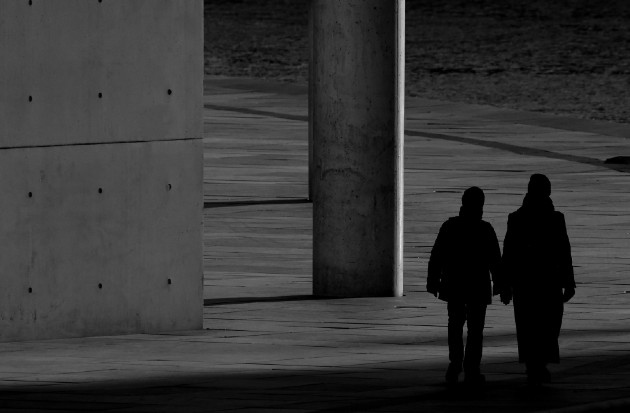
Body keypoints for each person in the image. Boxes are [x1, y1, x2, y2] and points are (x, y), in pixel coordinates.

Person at [501, 174, 576, 385]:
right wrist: (568, 282)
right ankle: (538, 362)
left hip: (526, 282)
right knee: (546, 323)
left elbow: (509, 254)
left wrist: (505, 284)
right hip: (546, 281)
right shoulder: (553, 218)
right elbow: (564, 251)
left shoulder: (518, 217)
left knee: (529, 324)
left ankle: (534, 363)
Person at [427, 186, 502, 385]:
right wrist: (501, 285)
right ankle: (472, 368)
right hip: (477, 285)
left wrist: (433, 280)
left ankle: (455, 363)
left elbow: (437, 255)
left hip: (455, 283)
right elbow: (495, 260)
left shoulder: (450, 226)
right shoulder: (485, 229)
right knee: (476, 329)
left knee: (455, 324)